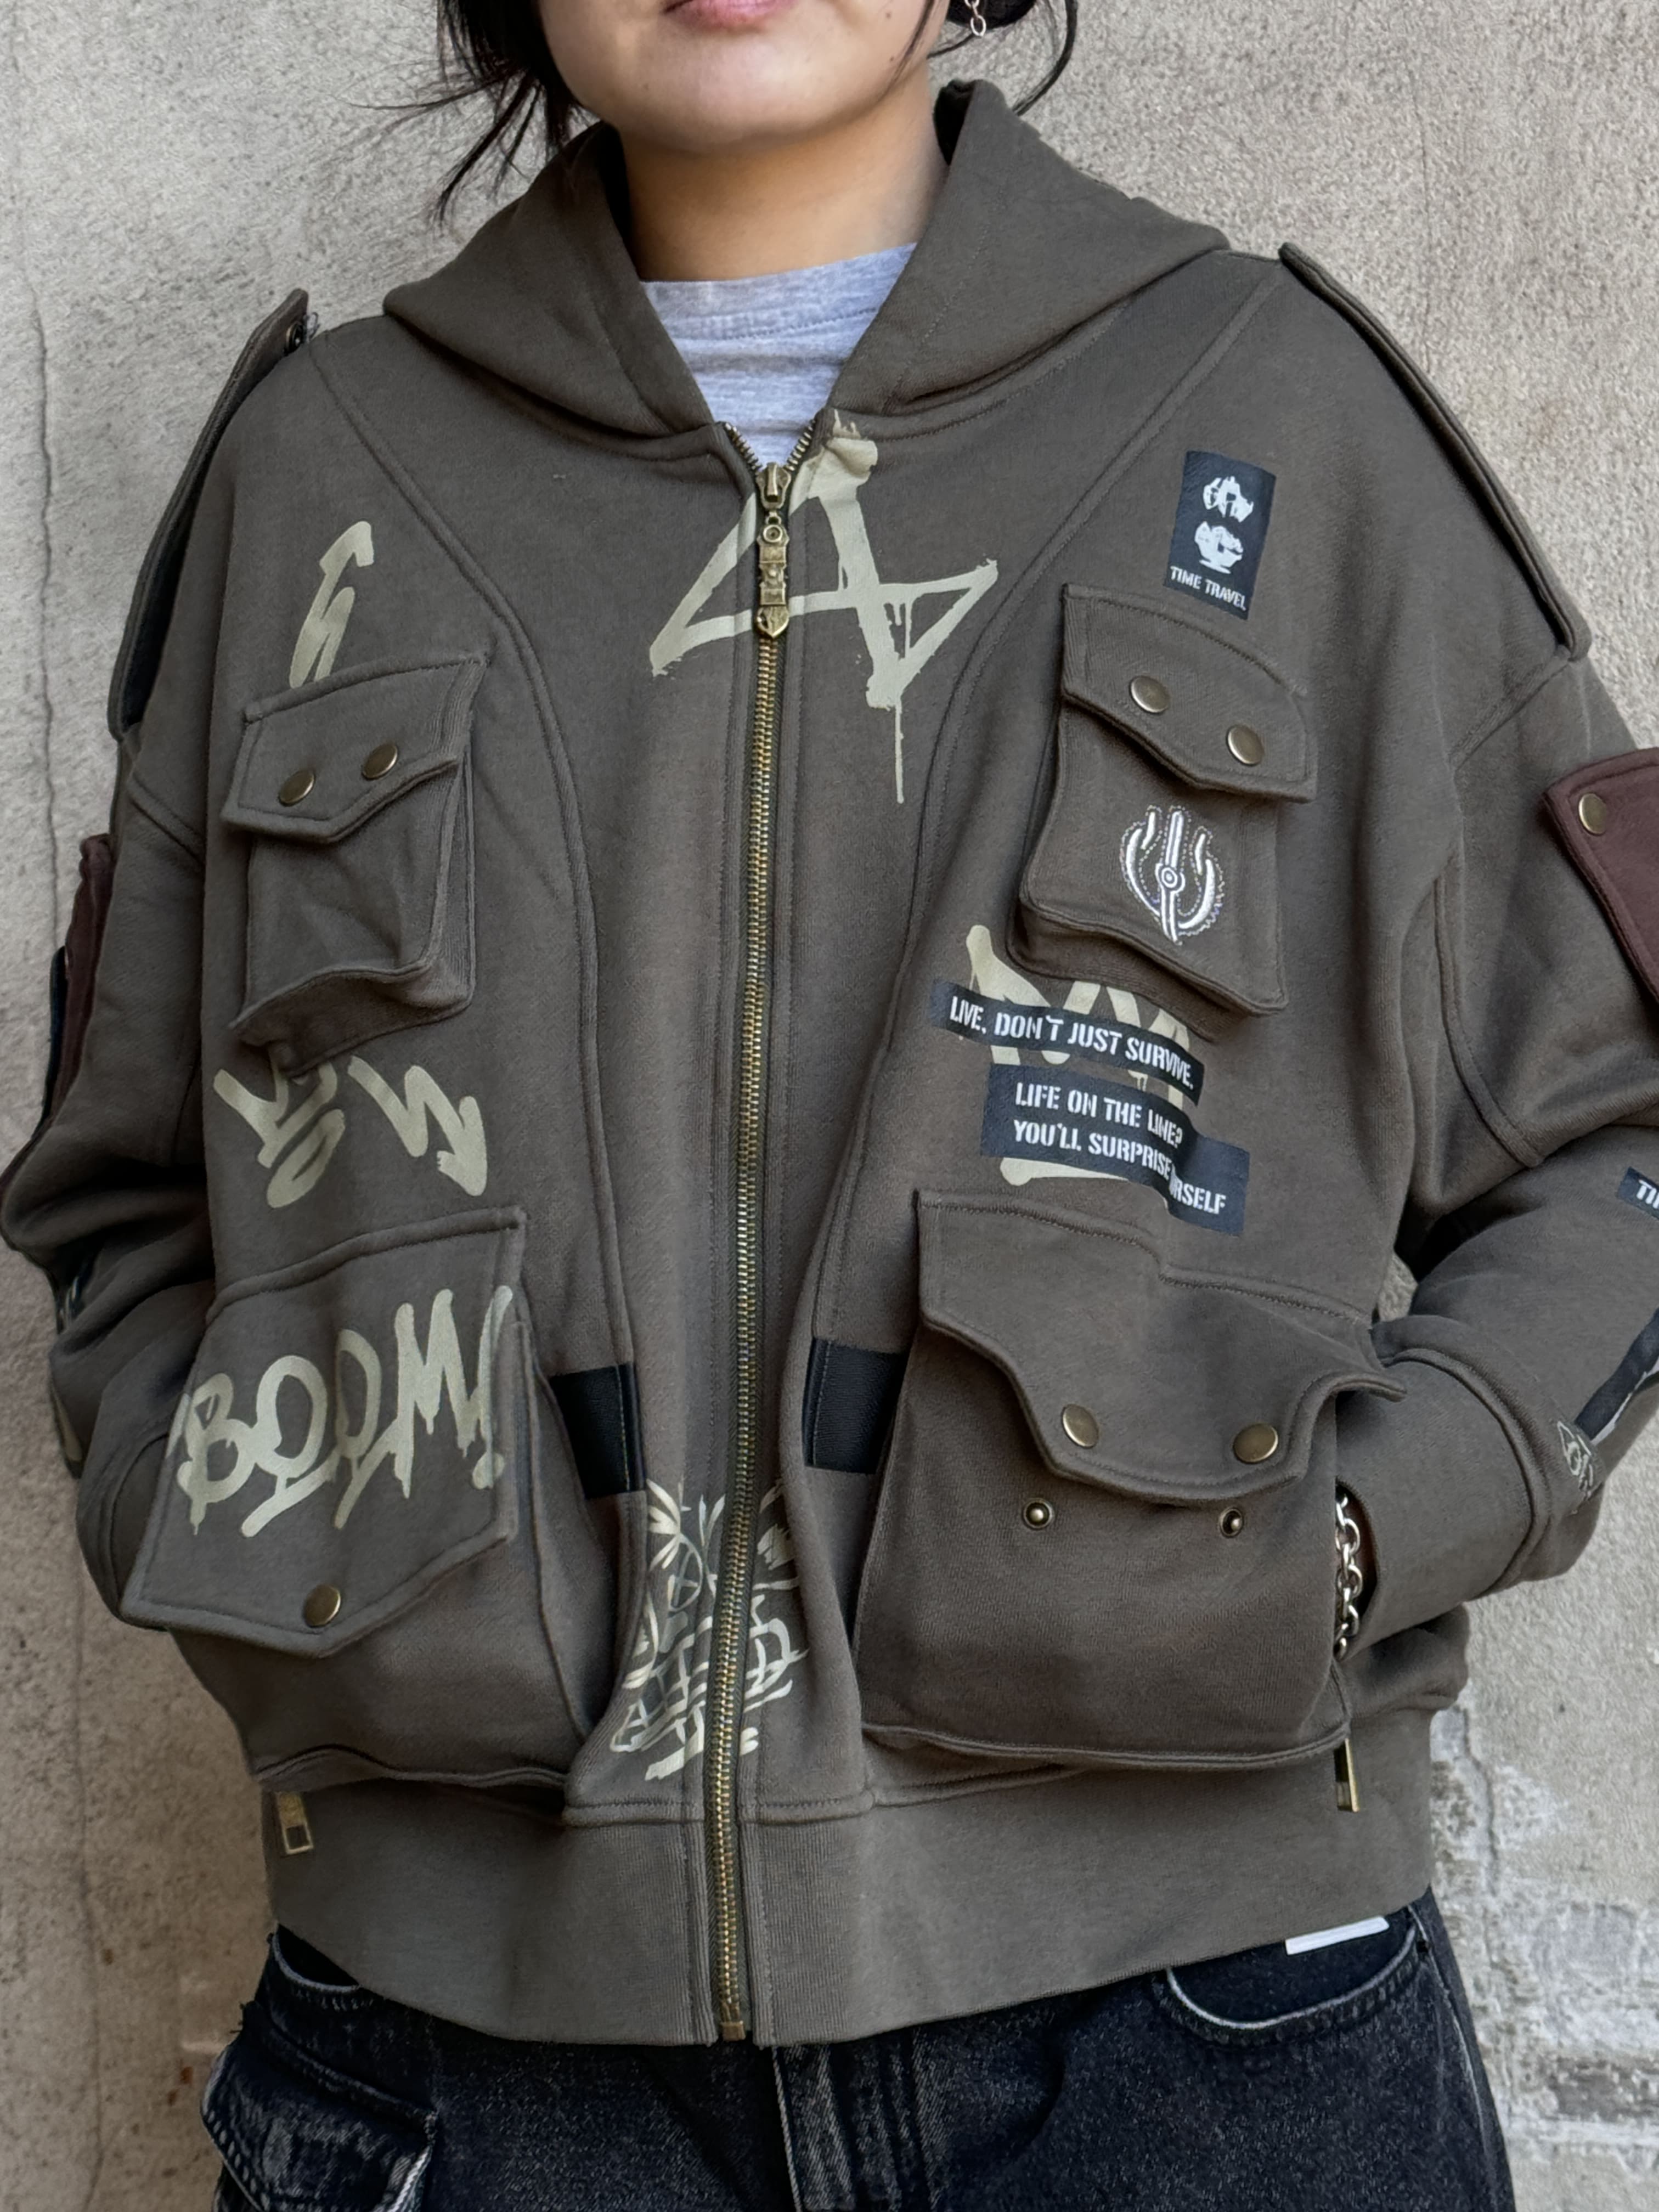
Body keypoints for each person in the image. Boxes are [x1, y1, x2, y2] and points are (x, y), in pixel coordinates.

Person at [4, 0, 1656, 2204]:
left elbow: (1617, 1128)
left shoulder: (1274, 414)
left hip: (1202, 2050)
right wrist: (224, 1532)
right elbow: (128, 1202)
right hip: (470, 2062)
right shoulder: (321, 474)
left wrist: (1349, 1549)